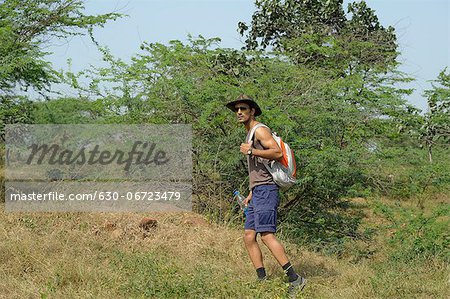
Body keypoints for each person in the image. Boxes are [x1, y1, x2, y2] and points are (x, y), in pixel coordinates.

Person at [225, 94, 307, 294]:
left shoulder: (260, 130)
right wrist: (251, 192)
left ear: (252, 111)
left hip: (267, 190)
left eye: (243, 108)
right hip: (258, 190)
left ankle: (295, 279)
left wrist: (252, 152)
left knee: (266, 235)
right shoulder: (249, 133)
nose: (239, 112)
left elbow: (277, 153)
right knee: (248, 236)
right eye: (237, 109)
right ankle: (262, 280)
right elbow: (259, 169)